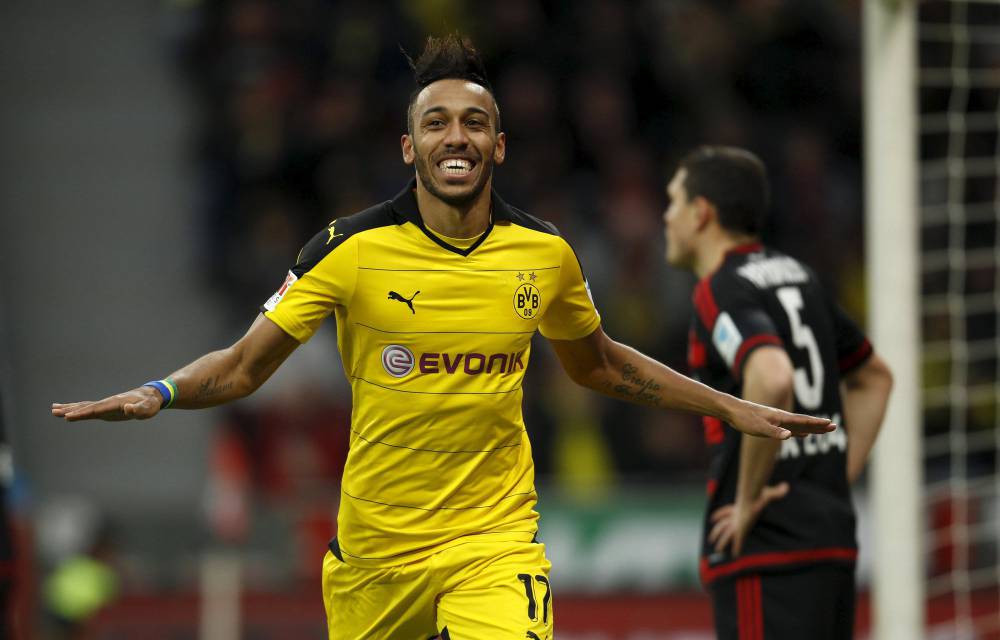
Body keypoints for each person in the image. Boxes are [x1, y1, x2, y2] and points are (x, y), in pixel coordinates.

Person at [53, 37, 834, 640]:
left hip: (494, 542)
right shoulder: (347, 250)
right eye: (436, 123)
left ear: (498, 145)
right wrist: (159, 392)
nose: (455, 136)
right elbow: (241, 369)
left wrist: (728, 406)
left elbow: (598, 364)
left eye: (473, 123)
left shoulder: (545, 254)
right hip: (376, 555)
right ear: (409, 147)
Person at [662, 145, 893, 639]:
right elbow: (875, 378)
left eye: (674, 202)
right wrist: (835, 476)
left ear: (701, 213)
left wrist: (746, 501)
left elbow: (772, 377)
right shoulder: (800, 276)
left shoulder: (720, 288)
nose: (666, 216)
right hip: (830, 541)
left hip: (767, 550)